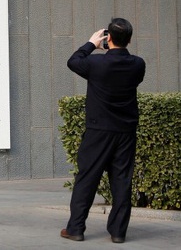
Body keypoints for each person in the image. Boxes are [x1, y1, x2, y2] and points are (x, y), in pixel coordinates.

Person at [60, 17, 146, 244]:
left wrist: (91, 43)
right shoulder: (138, 64)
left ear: (109, 38)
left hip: (98, 131)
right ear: (129, 39)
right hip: (125, 131)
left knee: (87, 179)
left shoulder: (95, 63)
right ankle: (118, 232)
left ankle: (76, 229)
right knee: (121, 180)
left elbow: (73, 61)